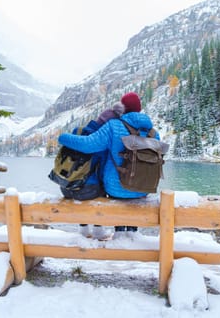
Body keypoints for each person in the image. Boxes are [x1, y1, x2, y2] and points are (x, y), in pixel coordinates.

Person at [58, 92, 160, 239]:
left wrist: (63, 137)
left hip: (116, 189)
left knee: (115, 184)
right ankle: (132, 233)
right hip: (143, 189)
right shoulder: (153, 133)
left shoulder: (114, 126)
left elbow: (87, 145)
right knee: (132, 189)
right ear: (139, 108)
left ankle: (119, 233)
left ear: (123, 108)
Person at [62, 102, 124, 240]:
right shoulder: (102, 141)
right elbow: (102, 173)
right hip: (85, 191)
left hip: (65, 186)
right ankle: (98, 229)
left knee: (82, 177)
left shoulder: (77, 131)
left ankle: (83, 229)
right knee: (101, 186)